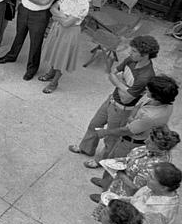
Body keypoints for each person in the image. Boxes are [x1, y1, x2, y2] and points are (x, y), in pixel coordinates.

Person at [70, 35, 159, 167]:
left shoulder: (146, 76)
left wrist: (118, 81)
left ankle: (99, 161)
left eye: (134, 51)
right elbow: (111, 73)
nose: (130, 53)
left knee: (111, 138)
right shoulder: (131, 60)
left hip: (123, 110)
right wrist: (123, 85)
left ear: (145, 55)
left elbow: (126, 97)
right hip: (111, 100)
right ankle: (86, 148)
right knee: (94, 124)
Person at [94, 75, 178, 161]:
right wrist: (131, 118)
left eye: (148, 89)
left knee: (116, 163)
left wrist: (105, 132)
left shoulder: (150, 117)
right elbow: (138, 106)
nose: (145, 89)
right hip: (136, 128)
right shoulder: (163, 102)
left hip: (130, 143)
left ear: (156, 95)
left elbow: (126, 131)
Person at [90, 126, 179, 201]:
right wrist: (119, 162)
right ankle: (105, 192)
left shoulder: (156, 166)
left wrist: (117, 172)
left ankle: (106, 201)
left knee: (112, 209)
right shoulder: (150, 149)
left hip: (125, 194)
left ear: (160, 148)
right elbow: (132, 158)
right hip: (118, 183)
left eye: (150, 142)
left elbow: (136, 187)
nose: (145, 141)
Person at [38, 0, 92, 93]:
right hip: (58, 28)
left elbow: (67, 23)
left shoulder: (84, 4)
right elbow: (53, 8)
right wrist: (63, 16)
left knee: (62, 57)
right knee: (55, 52)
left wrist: (57, 16)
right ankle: (51, 73)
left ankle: (54, 82)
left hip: (70, 33)